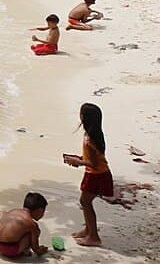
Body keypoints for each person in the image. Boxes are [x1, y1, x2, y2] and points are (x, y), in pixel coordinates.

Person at [63, 102, 112, 247]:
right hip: (97, 172)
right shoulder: (95, 134)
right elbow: (94, 158)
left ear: (83, 117)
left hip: (97, 174)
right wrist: (79, 158)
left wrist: (78, 162)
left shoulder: (89, 138)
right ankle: (88, 230)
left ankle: (94, 237)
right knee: (85, 201)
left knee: (85, 202)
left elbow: (93, 163)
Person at [0, 192, 49, 258]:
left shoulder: (13, 211)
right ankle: (24, 250)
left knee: (3, 215)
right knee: (36, 231)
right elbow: (36, 250)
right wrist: (42, 250)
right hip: (8, 250)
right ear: (40, 210)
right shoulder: (31, 223)